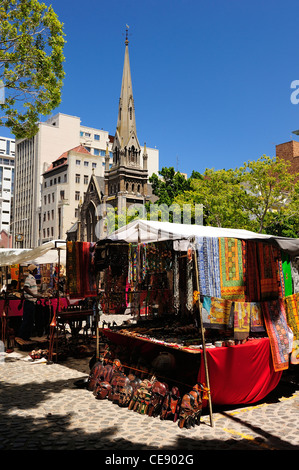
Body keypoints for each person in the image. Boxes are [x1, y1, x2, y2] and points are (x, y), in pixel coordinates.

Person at [18, 264, 43, 341]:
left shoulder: (32, 278)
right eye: (36, 269)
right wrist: (34, 295)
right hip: (29, 302)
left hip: (30, 302)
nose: (37, 271)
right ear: (33, 271)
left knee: (29, 321)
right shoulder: (30, 278)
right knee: (27, 321)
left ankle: (25, 337)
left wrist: (21, 302)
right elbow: (25, 288)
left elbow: (24, 291)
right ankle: (22, 337)